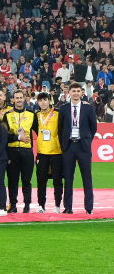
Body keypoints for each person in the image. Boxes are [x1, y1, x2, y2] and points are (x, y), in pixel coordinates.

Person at [57, 82, 97, 214]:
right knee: (68, 178)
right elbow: (60, 129)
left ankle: (89, 208)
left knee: (87, 178)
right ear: (69, 93)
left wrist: (86, 140)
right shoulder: (63, 109)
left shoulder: (88, 108)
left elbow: (93, 127)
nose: (75, 93)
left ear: (82, 93)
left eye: (77, 91)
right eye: (73, 91)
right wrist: (65, 143)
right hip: (69, 147)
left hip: (83, 147)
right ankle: (68, 207)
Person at [3, 90, 37, 213]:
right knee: (12, 180)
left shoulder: (32, 114)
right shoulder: (7, 115)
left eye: (20, 97)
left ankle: (27, 205)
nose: (18, 100)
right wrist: (17, 137)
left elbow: (39, 131)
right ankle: (12, 205)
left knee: (26, 180)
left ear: (24, 99)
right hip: (11, 151)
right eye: (16, 98)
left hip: (26, 150)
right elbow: (4, 135)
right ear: (12, 100)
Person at [34, 92, 62, 213]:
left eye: (45, 100)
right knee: (41, 180)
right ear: (38, 103)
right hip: (41, 152)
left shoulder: (58, 114)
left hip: (56, 152)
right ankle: (41, 205)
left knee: (57, 181)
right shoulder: (35, 116)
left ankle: (57, 205)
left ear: (49, 100)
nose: (43, 102)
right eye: (40, 100)